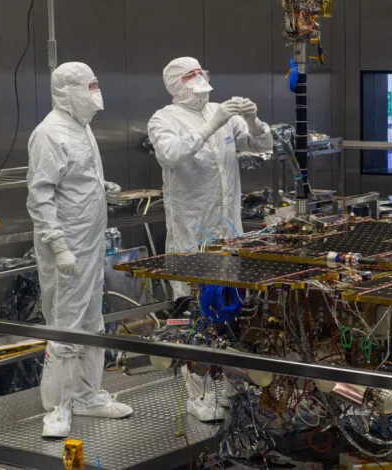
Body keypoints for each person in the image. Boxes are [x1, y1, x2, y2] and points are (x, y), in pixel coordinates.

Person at [147, 57, 272, 422]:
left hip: (229, 232)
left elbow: (262, 145)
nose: (200, 80)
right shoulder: (163, 119)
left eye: (201, 73)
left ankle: (234, 388)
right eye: (191, 77)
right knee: (194, 317)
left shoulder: (223, 112)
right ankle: (198, 396)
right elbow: (171, 155)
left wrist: (251, 119)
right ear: (176, 84)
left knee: (233, 313)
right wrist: (211, 126)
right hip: (190, 235)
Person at [27, 62, 132, 439]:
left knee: (91, 321)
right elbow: (40, 196)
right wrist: (58, 246)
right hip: (68, 249)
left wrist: (100, 187)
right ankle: (58, 407)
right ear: (66, 91)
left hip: (90, 243)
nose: (93, 98)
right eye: (87, 89)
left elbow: (72, 178)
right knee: (66, 324)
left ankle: (88, 395)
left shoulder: (81, 128)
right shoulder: (49, 134)